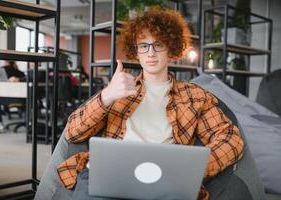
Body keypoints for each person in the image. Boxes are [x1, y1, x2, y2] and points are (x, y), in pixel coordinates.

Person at [57, 7, 244, 200]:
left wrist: (194, 169)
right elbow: (72, 133)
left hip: (166, 180)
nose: (151, 52)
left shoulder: (195, 96)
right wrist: (107, 96)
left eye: (159, 45)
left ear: (171, 50)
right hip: (111, 173)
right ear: (136, 51)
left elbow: (231, 139)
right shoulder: (118, 88)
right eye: (143, 45)